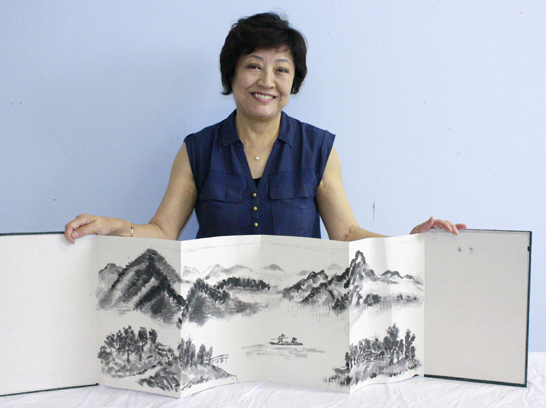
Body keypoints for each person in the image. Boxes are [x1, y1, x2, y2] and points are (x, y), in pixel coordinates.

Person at [64, 12, 465, 244]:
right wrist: (115, 227)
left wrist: (409, 244)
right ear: (232, 74)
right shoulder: (197, 150)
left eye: (281, 69)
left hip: (300, 315)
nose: (267, 81)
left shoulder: (318, 149)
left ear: (294, 81)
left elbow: (345, 234)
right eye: (253, 65)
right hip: (215, 314)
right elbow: (164, 231)